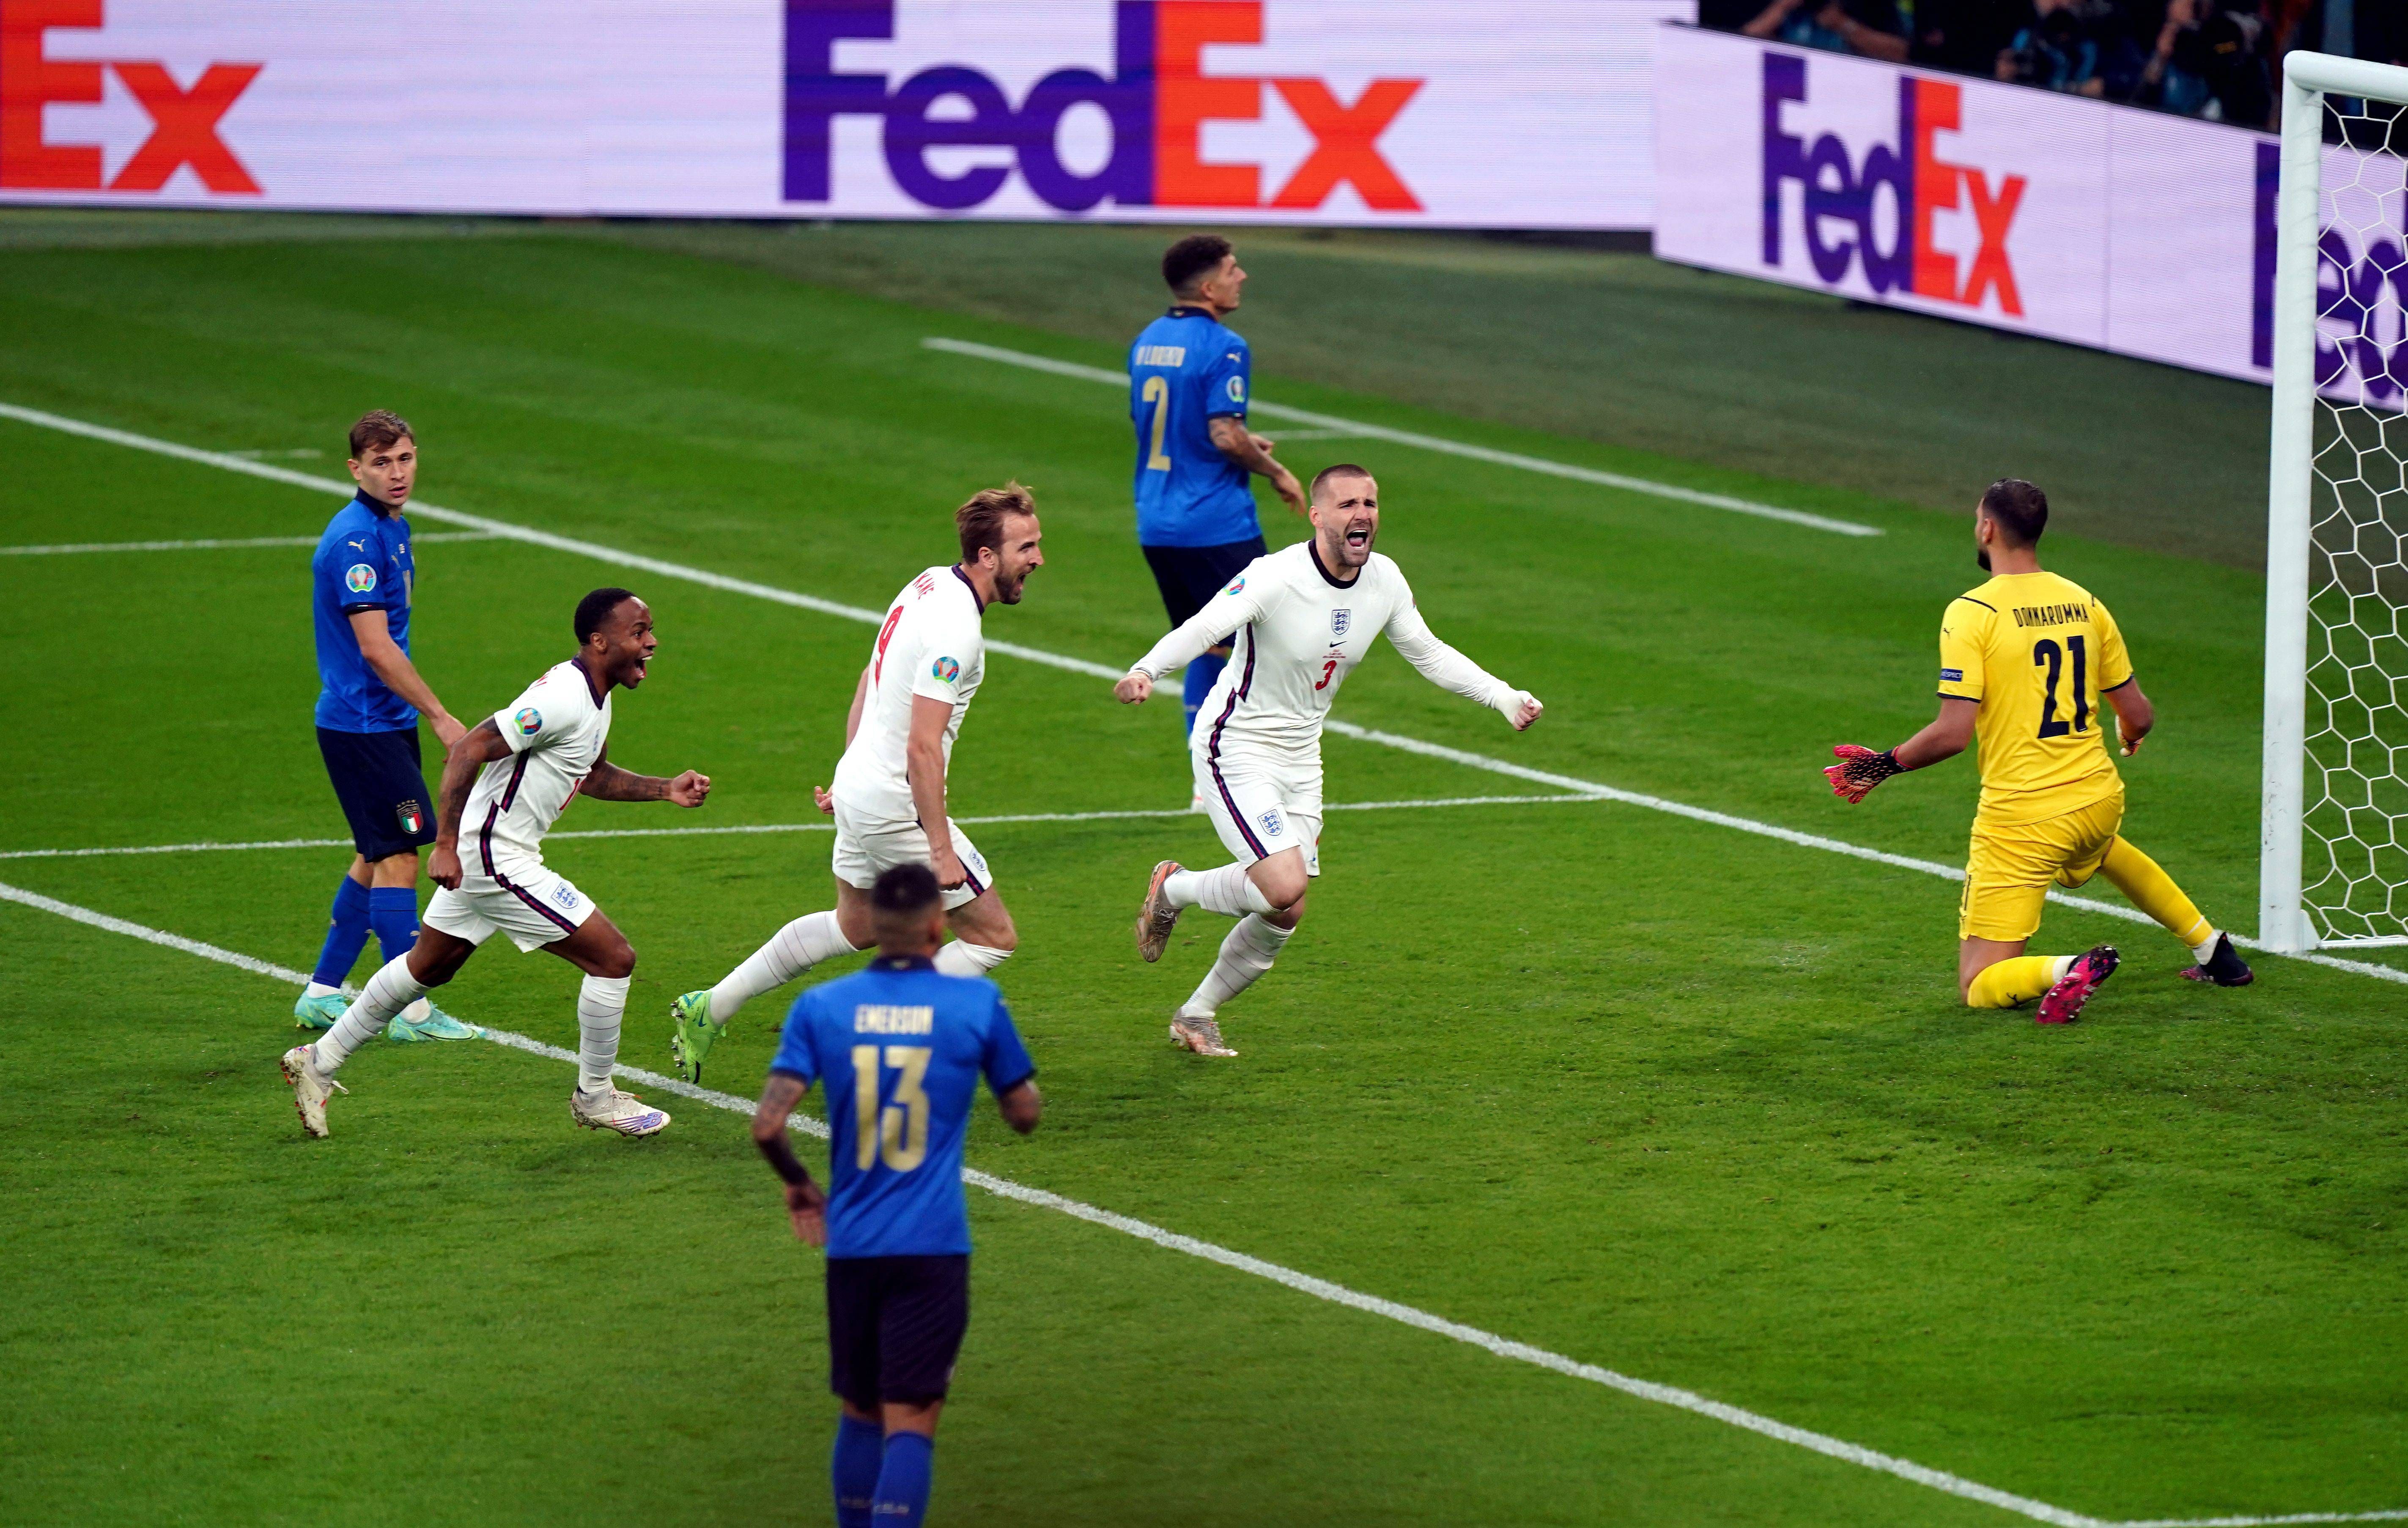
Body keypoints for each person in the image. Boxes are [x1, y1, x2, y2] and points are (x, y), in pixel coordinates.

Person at [1115, 464, 1544, 1057]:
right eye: (1346, 504)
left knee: (1285, 912)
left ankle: (1196, 1013)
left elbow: (1427, 651)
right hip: (1235, 746)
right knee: (1282, 882)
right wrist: (1146, 670)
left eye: (1369, 502)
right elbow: (1205, 626)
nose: (1361, 514)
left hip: (1301, 758)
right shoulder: (1275, 577)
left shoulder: (1384, 581)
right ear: (1317, 516)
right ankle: (1176, 890)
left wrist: (1502, 696)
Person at [280, 588, 712, 1138]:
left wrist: (663, 790)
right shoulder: (561, 698)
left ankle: (317, 1062)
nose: (651, 643)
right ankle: (596, 1097)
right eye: (639, 633)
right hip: (492, 854)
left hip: (492, 851)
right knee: (613, 958)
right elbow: (468, 749)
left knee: (427, 968)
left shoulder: (595, 698)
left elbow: (591, 772)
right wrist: (443, 845)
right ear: (600, 642)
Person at [1823, 478, 2253, 1023]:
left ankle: (2071, 968)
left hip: (2023, 819)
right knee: (2103, 850)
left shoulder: (1973, 612)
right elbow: (2139, 714)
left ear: (1988, 528)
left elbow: (1954, 733)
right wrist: (2130, 736)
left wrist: (1882, 765)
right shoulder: (2084, 602)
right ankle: (2216, 952)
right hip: (2098, 797)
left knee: (1978, 984)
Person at [669, 486, 1045, 1083]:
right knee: (992, 937)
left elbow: (869, 675)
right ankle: (866, 1028)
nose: (1038, 559)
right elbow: (924, 745)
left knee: (857, 926)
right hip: (897, 804)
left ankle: (709, 1007)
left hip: (863, 788)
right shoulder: (957, 632)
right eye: (1026, 547)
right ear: (986, 556)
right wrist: (940, 848)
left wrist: (850, 775)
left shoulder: (926, 583)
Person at [750, 862, 1041, 1528]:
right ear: (939, 926)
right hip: (934, 1245)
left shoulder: (821, 1007)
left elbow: (767, 1125)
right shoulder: (974, 1005)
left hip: (852, 1245)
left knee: (859, 1410)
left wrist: (800, 1190)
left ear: (876, 927)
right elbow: (1023, 1114)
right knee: (912, 1417)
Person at [295, 410, 477, 1042]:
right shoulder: (355, 542)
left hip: (380, 721)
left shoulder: (392, 527)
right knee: (402, 852)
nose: (396, 473)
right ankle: (411, 1010)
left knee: (375, 854)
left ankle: (323, 992)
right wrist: (440, 715)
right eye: (381, 463)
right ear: (355, 468)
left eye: (404, 459)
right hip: (364, 725)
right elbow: (375, 647)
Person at [1130, 235, 1308, 758]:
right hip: (1215, 523)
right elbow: (1223, 435)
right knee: (1266, 645)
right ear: (1208, 287)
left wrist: (1244, 442)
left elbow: (1176, 428)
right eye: (1233, 269)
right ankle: (1248, 763)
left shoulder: (1147, 341)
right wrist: (1274, 470)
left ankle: (1203, 776)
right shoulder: (1226, 345)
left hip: (1158, 521)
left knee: (1205, 641)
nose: (1242, 276)